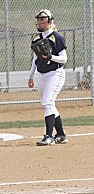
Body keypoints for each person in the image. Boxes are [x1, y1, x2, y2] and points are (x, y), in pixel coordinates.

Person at [28, 9, 68, 146]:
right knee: (49, 105)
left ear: (49, 22)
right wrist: (31, 75)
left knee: (47, 103)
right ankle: (61, 135)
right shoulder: (36, 38)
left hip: (55, 74)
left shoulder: (56, 37)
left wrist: (51, 57)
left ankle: (49, 136)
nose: (39, 22)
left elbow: (64, 59)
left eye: (42, 19)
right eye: (38, 19)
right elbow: (35, 59)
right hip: (41, 74)